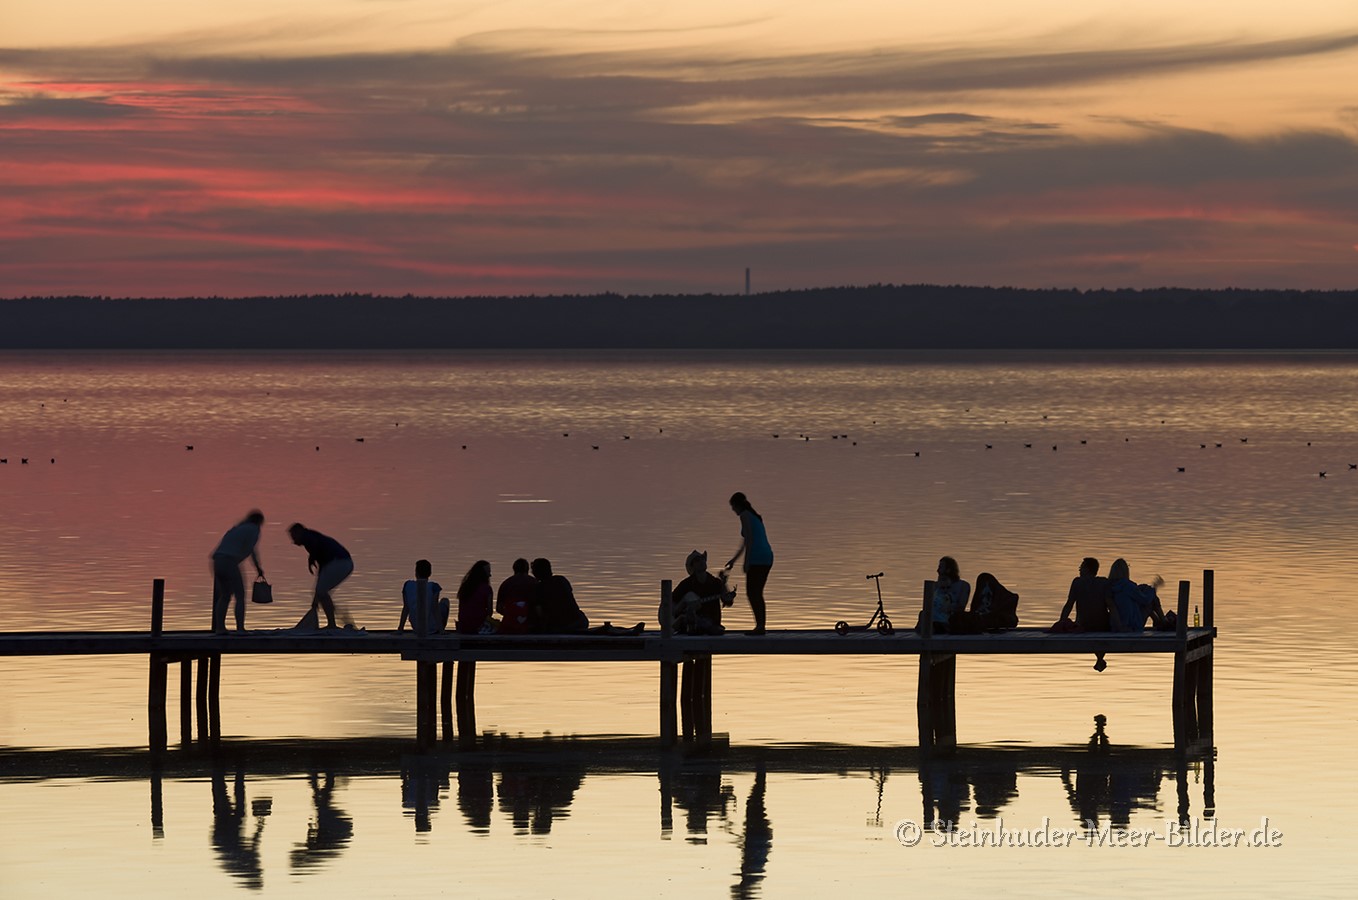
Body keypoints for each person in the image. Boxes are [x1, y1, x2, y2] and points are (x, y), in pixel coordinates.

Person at [724, 492, 773, 635]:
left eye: (733, 507)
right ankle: (761, 626)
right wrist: (734, 560)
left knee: (753, 593)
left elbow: (750, 540)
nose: (733, 510)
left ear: (738, 505)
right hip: (767, 556)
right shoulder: (753, 516)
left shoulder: (744, 515)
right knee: (756, 593)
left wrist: (746, 562)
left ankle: (760, 627)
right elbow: (745, 542)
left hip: (757, 557)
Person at [288, 523, 353, 629]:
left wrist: (311, 558)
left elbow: (317, 554)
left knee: (321, 591)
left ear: (299, 532)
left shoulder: (307, 537)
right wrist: (315, 598)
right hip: (344, 563)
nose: (293, 541)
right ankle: (332, 623)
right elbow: (322, 568)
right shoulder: (311, 537)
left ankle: (332, 625)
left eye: (294, 537)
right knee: (321, 592)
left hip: (339, 563)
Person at [211, 510, 265, 634]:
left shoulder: (238, 528)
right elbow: (251, 550)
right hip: (229, 561)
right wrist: (258, 568)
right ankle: (240, 628)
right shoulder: (254, 529)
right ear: (259, 522)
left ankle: (220, 628)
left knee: (225, 595)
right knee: (240, 595)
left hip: (217, 560)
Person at [1059, 557, 1114, 671]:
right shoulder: (1104, 582)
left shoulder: (1077, 582)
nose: (1079, 570)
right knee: (1101, 624)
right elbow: (1110, 605)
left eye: (1081, 567)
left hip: (1083, 625)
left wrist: (1061, 622)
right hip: (1102, 625)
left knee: (1090, 623)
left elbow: (1069, 604)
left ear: (1087, 569)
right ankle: (1099, 658)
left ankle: (1099, 659)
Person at [669, 550, 735, 635]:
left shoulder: (715, 583)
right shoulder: (686, 584)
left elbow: (728, 602)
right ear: (692, 567)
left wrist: (724, 585)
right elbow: (669, 603)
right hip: (691, 625)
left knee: (707, 623)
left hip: (712, 622)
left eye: (702, 559)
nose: (701, 562)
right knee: (694, 618)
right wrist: (681, 606)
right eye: (697, 560)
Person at [1107, 558, 1167, 633]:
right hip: (1132, 625)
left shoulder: (1110, 586)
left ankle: (1159, 622)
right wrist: (1154, 587)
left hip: (1115, 625)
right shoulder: (1127, 586)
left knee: (1146, 590)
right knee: (1151, 599)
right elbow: (1146, 600)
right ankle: (1164, 622)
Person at [530, 558, 589, 633]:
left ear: (536, 573)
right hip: (580, 621)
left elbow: (540, 614)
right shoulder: (562, 580)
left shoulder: (539, 588)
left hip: (562, 626)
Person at [398, 559, 448, 634]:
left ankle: (401, 628)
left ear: (416, 573)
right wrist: (441, 631)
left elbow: (406, 608)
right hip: (432, 628)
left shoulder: (407, 585)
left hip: (416, 627)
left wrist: (400, 629)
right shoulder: (434, 587)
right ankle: (440, 629)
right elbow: (435, 609)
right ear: (430, 573)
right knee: (445, 601)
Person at [495, 558, 537, 634]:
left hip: (509, 624)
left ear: (514, 569)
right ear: (527, 570)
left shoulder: (506, 583)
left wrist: (512, 614)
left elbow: (499, 608)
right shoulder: (535, 582)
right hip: (531, 625)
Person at [930, 556, 971, 634]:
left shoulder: (963, 585)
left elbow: (961, 607)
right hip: (933, 620)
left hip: (951, 621)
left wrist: (948, 607)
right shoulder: (934, 586)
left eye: (940, 567)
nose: (937, 570)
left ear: (948, 570)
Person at [455, 560, 494, 634]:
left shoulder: (465, 587)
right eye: (488, 572)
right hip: (479, 627)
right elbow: (490, 612)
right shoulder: (487, 589)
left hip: (464, 626)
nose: (490, 575)